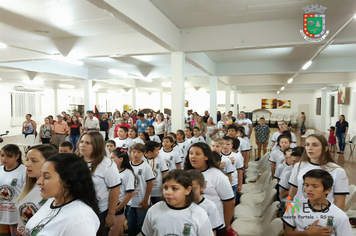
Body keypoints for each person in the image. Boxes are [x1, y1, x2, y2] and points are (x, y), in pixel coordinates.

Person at [24, 153, 102, 236]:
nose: (39, 182)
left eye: (46, 177)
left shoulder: (81, 220)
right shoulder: (53, 200)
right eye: (41, 175)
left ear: (67, 181)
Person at [142, 169, 213, 236]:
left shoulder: (199, 214)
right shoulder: (154, 210)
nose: (168, 192)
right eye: (165, 188)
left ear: (188, 190)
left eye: (174, 189)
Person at [184, 143, 235, 235]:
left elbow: (229, 202)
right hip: (189, 222)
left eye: (197, 154)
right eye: (191, 153)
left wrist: (226, 225)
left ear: (206, 157)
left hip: (213, 224)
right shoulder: (184, 174)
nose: (193, 156)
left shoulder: (218, 176)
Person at [283, 169, 353, 236]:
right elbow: (287, 233)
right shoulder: (294, 207)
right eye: (306, 185)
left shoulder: (339, 216)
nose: (309, 189)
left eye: (315, 186)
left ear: (328, 190)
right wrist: (307, 233)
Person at [288, 134, 349, 210]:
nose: (310, 148)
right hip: (299, 211)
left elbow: (340, 202)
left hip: (323, 214)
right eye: (307, 145)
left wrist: (331, 219)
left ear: (325, 148)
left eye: (315, 145)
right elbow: (292, 192)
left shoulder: (338, 171)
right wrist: (288, 210)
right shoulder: (299, 166)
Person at [76, 132, 121, 235]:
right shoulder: (75, 161)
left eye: (88, 143)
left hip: (99, 211)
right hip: (78, 210)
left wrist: (111, 213)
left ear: (97, 146)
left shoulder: (107, 164)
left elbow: (115, 189)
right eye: (82, 141)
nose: (82, 145)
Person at [16, 144, 58, 234]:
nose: (27, 164)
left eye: (34, 161)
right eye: (27, 160)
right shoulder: (27, 186)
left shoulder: (55, 191)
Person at [128, 143, 154, 236]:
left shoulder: (146, 166)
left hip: (141, 200)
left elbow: (150, 184)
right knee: (130, 223)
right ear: (130, 153)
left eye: (138, 152)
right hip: (129, 201)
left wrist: (146, 200)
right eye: (134, 152)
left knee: (141, 224)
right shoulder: (128, 165)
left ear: (143, 153)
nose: (136, 154)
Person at [0, 144, 26, 236]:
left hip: (16, 216)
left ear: (17, 156)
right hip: (2, 216)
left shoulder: (24, 171)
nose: (4, 159)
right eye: (2, 156)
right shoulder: (0, 170)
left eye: (9, 156)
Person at [188, 169, 224, 235]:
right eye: (186, 188)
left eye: (193, 189)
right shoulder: (180, 204)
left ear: (202, 187)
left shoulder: (210, 206)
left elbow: (213, 230)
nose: (189, 192)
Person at [109, 149, 135, 236]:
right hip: (113, 203)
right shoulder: (112, 171)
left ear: (121, 159)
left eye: (112, 158)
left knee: (113, 232)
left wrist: (118, 208)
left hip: (121, 205)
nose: (110, 159)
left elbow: (130, 194)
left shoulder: (127, 173)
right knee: (119, 230)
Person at [221, 137, 243, 205]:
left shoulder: (236, 156)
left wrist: (240, 184)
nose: (225, 146)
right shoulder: (218, 156)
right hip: (221, 183)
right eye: (223, 144)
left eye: (227, 144)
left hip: (233, 183)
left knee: (232, 203)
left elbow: (240, 171)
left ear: (231, 146)